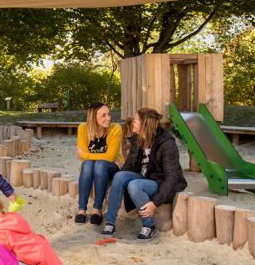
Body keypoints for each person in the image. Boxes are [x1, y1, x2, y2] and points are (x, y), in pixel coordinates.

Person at [101, 108, 187, 241]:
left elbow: (171, 178)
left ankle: (149, 225)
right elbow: (128, 166)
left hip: (159, 181)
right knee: (119, 176)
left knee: (135, 185)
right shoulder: (139, 139)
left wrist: (154, 203)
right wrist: (117, 185)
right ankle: (110, 223)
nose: (132, 123)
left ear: (144, 124)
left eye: (135, 121)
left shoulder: (167, 144)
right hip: (143, 177)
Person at [75, 102, 123, 225]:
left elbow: (110, 157)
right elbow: (87, 159)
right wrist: (88, 157)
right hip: (91, 167)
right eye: (103, 115)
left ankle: (97, 209)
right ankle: (82, 209)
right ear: (93, 117)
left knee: (99, 164)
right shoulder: (83, 128)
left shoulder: (115, 129)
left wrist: (85, 155)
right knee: (87, 164)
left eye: (109, 114)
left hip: (112, 167)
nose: (108, 118)